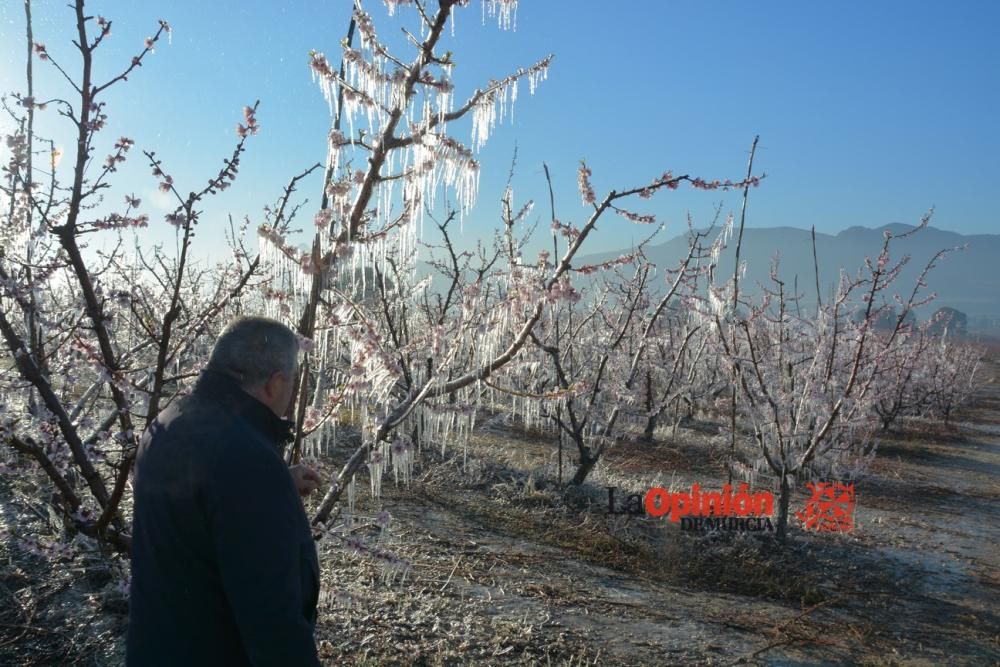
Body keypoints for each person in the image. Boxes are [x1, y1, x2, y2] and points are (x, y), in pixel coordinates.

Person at [127, 316, 324, 665]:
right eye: (292, 383)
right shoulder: (247, 461)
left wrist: (277, 481)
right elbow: (271, 621)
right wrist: (265, 481)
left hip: (159, 644)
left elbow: (198, 498)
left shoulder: (169, 420)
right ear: (275, 384)